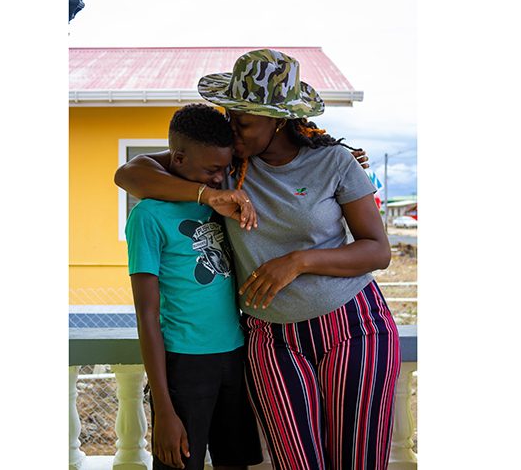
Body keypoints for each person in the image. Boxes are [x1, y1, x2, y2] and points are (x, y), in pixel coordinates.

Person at [116, 49, 401, 470]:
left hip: (352, 326)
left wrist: (298, 261)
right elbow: (129, 174)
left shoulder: (333, 161)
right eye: (230, 116)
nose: (232, 130)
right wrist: (207, 194)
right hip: (271, 337)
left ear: (278, 119)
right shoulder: (225, 166)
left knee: (357, 460)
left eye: (243, 121)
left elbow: (378, 250)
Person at [125, 103, 262, 470]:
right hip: (184, 364)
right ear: (180, 158)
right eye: (212, 170)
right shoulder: (148, 215)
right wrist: (164, 410)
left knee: (234, 461)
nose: (221, 178)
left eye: (225, 168)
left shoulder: (218, 201)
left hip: (234, 355)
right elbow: (147, 314)